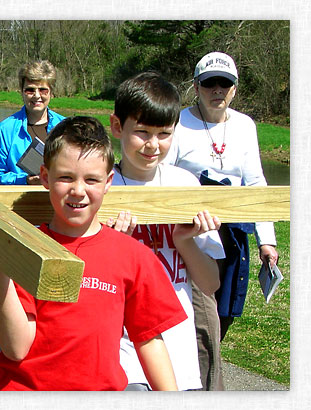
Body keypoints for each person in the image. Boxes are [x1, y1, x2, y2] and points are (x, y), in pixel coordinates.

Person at [0, 116, 187, 391]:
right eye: (65, 177)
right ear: (45, 177)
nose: (78, 191)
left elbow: (149, 339)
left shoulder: (134, 256)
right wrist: (1, 267)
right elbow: (16, 348)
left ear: (109, 181)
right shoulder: (22, 249)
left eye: (92, 179)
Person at [107, 71, 225, 391]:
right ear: (117, 126)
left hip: (179, 356)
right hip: (121, 354)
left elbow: (210, 283)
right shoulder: (102, 187)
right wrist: (115, 245)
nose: (152, 145)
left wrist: (183, 241)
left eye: (163, 134)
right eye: (142, 132)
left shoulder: (186, 185)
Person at [164, 52, 280, 344]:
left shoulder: (245, 125)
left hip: (233, 231)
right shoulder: (178, 122)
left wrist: (266, 240)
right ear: (196, 86)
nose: (217, 90)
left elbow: (255, 183)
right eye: (209, 83)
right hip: (191, 232)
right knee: (194, 311)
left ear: (234, 89)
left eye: (224, 84)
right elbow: (163, 175)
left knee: (223, 313)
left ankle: (208, 373)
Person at [0, 60, 65, 185]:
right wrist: (24, 180)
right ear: (21, 92)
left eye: (43, 90)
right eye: (30, 90)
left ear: (51, 93)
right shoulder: (5, 129)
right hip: (18, 201)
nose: (37, 96)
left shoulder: (65, 127)